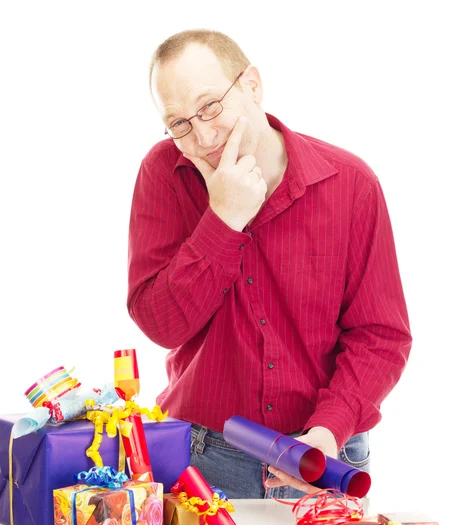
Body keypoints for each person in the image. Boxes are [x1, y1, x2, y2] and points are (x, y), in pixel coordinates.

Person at [126, 29, 412, 499]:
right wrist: (223, 219)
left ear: (252, 86)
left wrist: (330, 429)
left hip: (323, 455)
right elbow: (161, 325)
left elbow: (381, 335)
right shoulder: (163, 173)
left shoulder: (352, 184)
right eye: (178, 122)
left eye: (210, 106)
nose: (201, 135)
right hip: (203, 455)